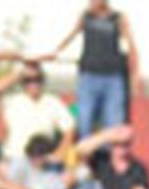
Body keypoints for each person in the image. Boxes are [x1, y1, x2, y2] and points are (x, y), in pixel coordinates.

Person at [48, 0, 140, 138]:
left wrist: (135, 73)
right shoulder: (86, 16)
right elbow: (72, 35)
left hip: (113, 77)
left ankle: (110, 155)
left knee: (113, 120)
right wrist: (55, 52)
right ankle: (85, 153)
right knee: (84, 118)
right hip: (89, 76)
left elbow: (130, 43)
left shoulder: (117, 18)